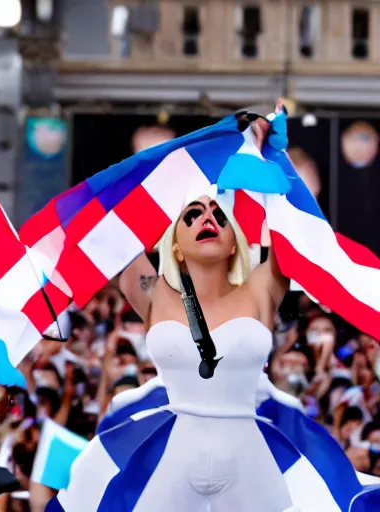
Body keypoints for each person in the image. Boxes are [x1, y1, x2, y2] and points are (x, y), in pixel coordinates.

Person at [45, 104, 377, 512]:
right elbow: (115, 228)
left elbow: (291, 226)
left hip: (251, 462)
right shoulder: (152, 290)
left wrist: (269, 153)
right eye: (193, 213)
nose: (208, 217)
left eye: (219, 214)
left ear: (236, 240)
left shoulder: (261, 289)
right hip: (171, 460)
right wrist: (163, 169)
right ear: (175, 241)